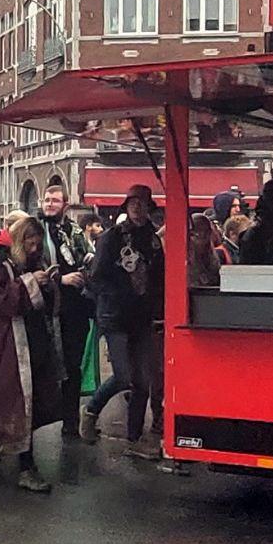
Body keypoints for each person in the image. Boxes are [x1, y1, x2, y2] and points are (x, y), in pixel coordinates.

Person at [0, 215, 63, 492]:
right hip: (6, 344)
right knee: (5, 398)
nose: (35, 250)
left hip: (30, 340)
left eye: (37, 245)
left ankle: (11, 455)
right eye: (30, 244)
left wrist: (47, 285)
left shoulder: (28, 262)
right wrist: (29, 283)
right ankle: (9, 456)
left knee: (28, 401)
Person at [79, 184, 165, 459]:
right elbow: (97, 277)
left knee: (142, 380)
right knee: (124, 376)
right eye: (133, 203)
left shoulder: (152, 239)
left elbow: (159, 277)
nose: (138, 208)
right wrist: (119, 293)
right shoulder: (112, 238)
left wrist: (157, 306)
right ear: (126, 207)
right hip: (114, 315)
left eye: (142, 203)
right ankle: (91, 410)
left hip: (141, 317)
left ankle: (134, 438)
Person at [36, 183, 94, 438]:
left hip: (74, 309)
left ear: (65, 205)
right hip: (45, 309)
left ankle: (70, 422)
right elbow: (29, 268)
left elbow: (86, 258)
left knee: (72, 366)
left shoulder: (74, 232)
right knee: (44, 366)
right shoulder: (34, 231)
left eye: (55, 201)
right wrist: (61, 280)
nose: (49, 204)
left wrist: (86, 269)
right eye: (47, 200)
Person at [188, 213, 223, 287]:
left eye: (206, 231)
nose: (202, 235)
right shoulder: (184, 259)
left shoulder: (214, 258)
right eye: (197, 232)